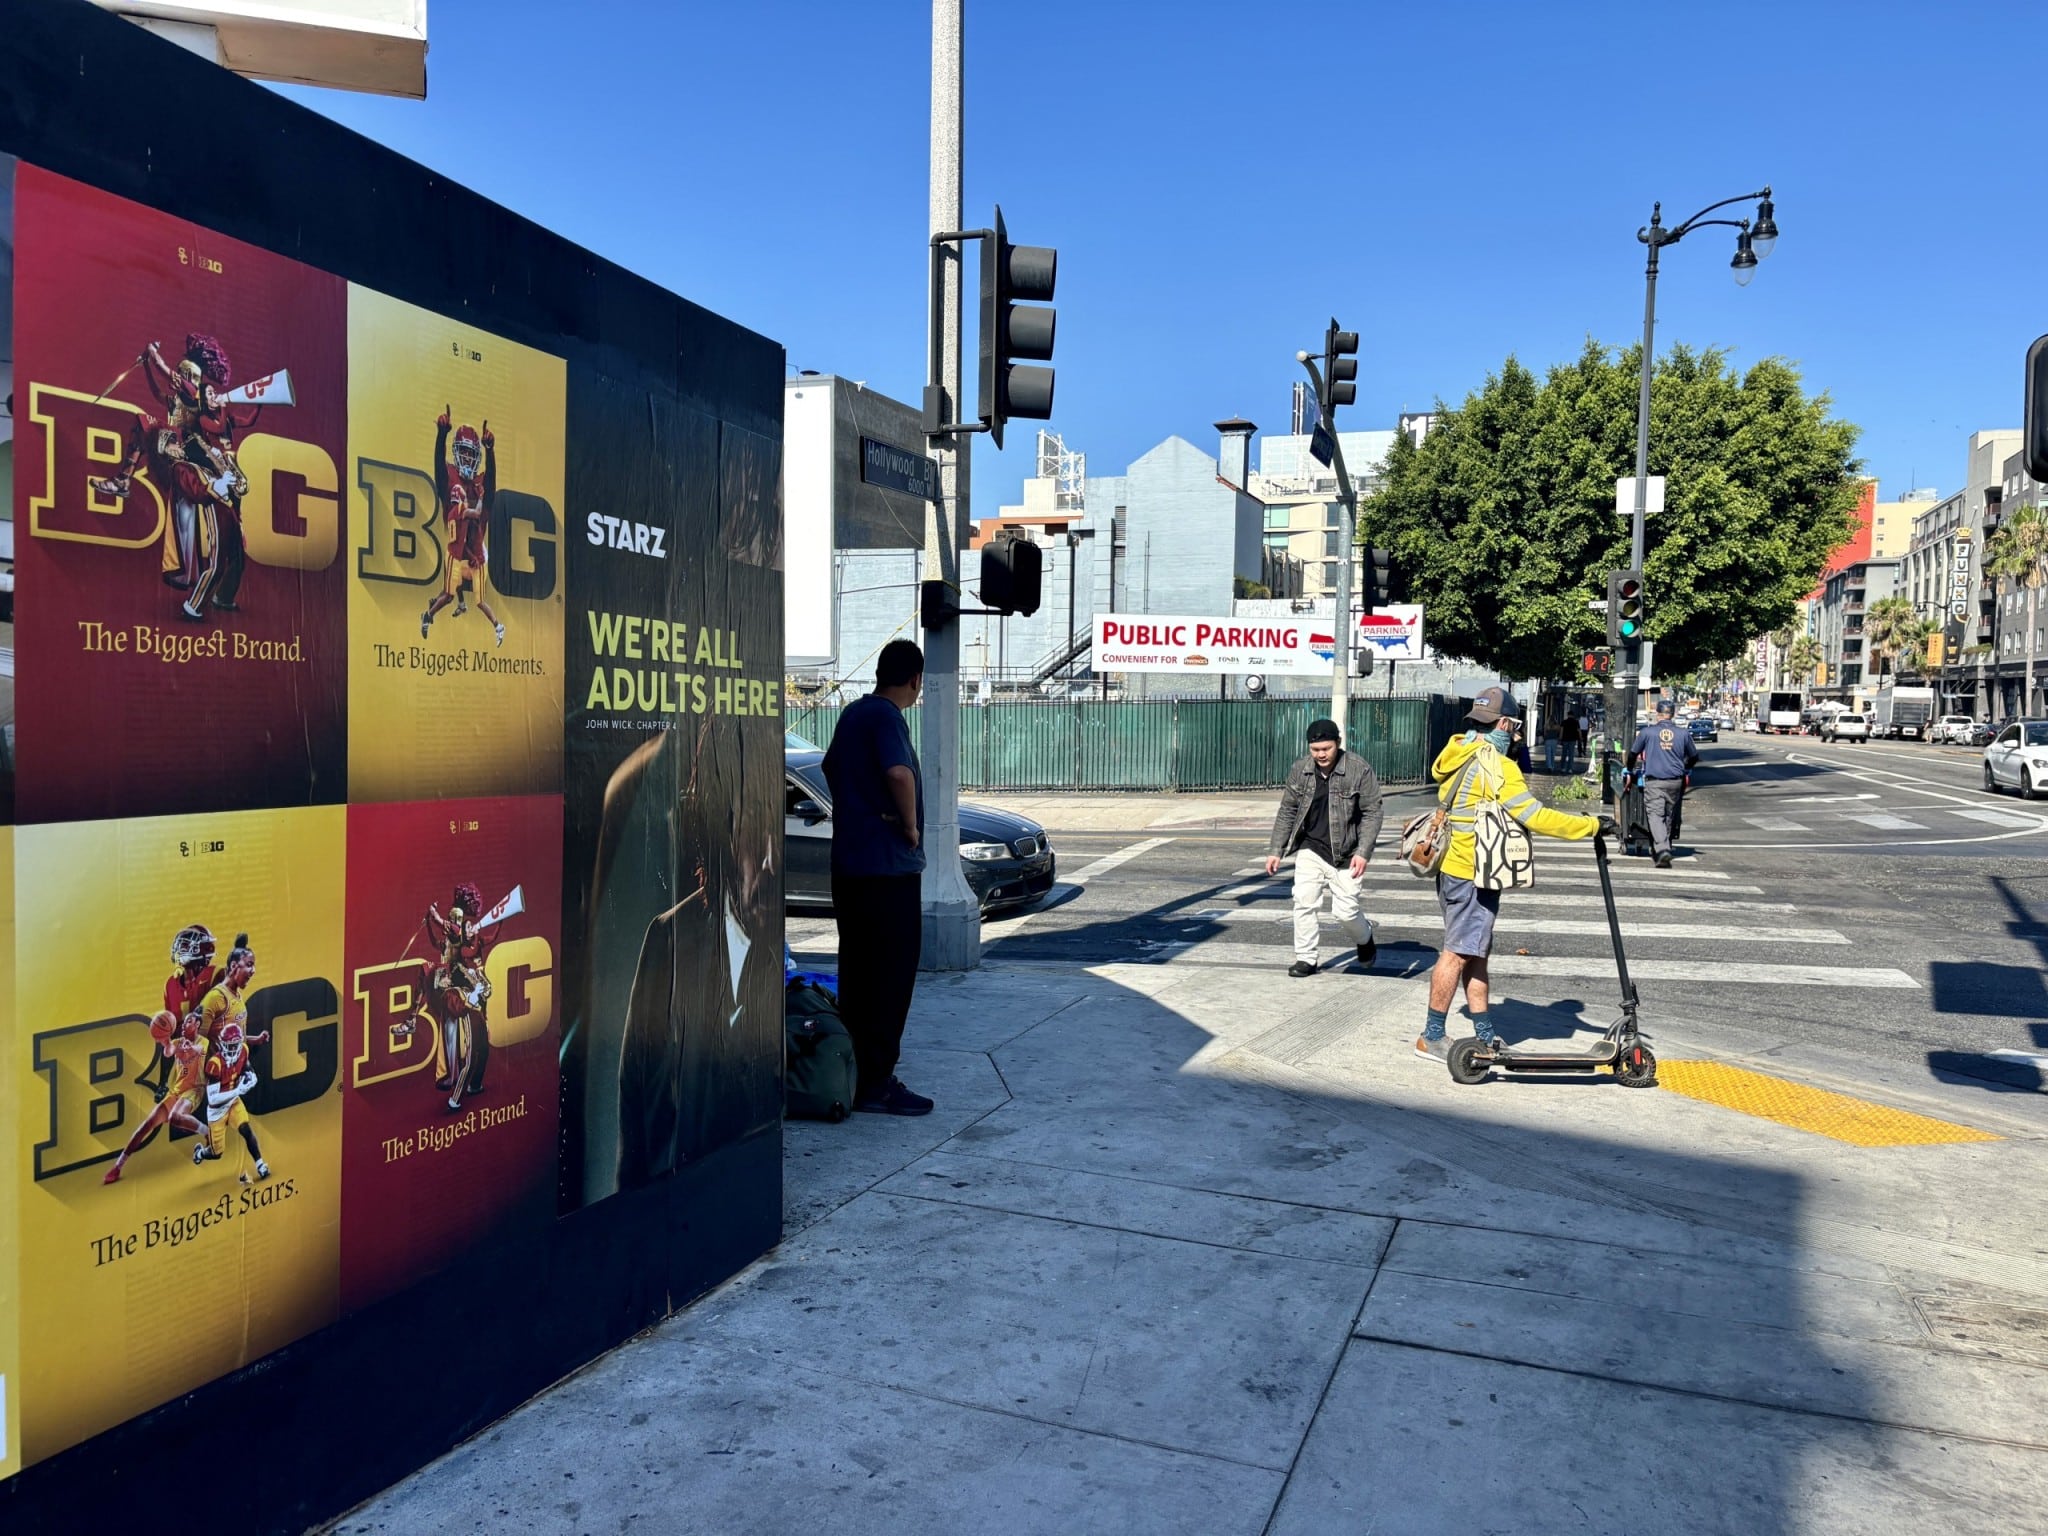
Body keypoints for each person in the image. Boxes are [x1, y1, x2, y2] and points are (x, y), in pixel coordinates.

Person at [1416, 686, 1613, 1061]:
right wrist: (1590, 826)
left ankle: (1486, 1034)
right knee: (1457, 953)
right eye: (1514, 726)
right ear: (1503, 722)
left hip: (1454, 872)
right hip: (1476, 874)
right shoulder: (1497, 766)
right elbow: (1534, 816)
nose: (1515, 734)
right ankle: (1432, 1035)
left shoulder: (1457, 752)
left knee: (1475, 955)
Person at [821, 639, 934, 1116]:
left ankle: (855, 1072)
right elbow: (900, 774)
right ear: (914, 680)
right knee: (891, 978)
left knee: (859, 974)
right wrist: (908, 826)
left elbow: (828, 766)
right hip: (888, 872)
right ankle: (878, 1083)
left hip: (850, 868)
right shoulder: (888, 717)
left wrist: (856, 812)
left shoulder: (852, 714)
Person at [1264, 718, 1383, 977]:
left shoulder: (1358, 769)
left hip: (1348, 852)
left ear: (1338, 744)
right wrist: (1276, 849)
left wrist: (1363, 852)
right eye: (1315, 749)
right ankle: (1306, 959)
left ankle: (1365, 939)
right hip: (1311, 848)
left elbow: (1372, 812)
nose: (1320, 755)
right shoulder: (1300, 770)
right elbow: (1288, 810)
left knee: (1345, 912)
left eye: (1326, 749)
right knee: (1304, 901)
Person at [1629, 698, 1698, 869]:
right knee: (1668, 814)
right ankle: (1663, 845)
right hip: (1675, 781)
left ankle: (1662, 850)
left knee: (1655, 815)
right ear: (1672, 714)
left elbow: (1633, 754)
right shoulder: (1683, 734)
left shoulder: (1647, 732)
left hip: (1655, 781)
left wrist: (1629, 770)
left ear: (1657, 714)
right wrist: (1686, 768)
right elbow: (1694, 756)